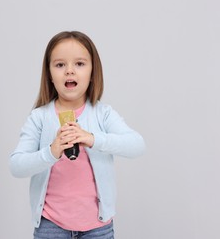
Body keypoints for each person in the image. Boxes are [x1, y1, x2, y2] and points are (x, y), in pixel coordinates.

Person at [9, 31, 146, 239]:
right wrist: (51, 152)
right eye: (60, 65)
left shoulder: (103, 114)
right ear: (49, 74)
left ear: (93, 72)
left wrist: (92, 138)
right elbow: (17, 166)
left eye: (80, 64)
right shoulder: (39, 117)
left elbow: (137, 145)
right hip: (51, 226)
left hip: (98, 227)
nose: (70, 71)